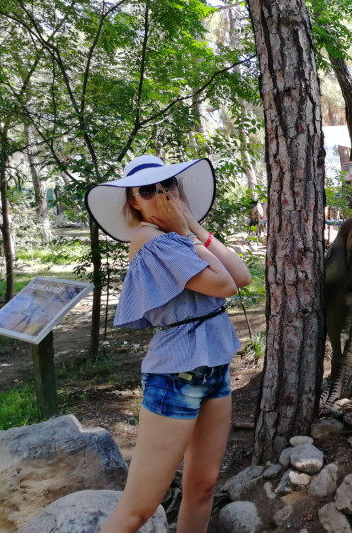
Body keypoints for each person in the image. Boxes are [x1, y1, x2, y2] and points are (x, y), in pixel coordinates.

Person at [85, 154, 251, 532]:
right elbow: (223, 285)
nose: (162, 194)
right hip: (176, 376)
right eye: (148, 190)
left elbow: (242, 276)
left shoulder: (180, 236)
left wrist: (191, 225)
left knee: (203, 486)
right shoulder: (148, 239)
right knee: (139, 509)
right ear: (134, 203)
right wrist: (188, 233)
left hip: (214, 367)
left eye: (168, 184)